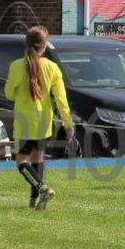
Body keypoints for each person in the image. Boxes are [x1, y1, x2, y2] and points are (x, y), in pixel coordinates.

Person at [4, 26, 74, 209]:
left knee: (22, 161)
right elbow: (61, 99)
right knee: (38, 159)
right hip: (44, 122)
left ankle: (41, 188)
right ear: (44, 46)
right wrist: (68, 123)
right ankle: (34, 201)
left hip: (24, 122)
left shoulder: (16, 66)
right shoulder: (52, 67)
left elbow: (9, 94)